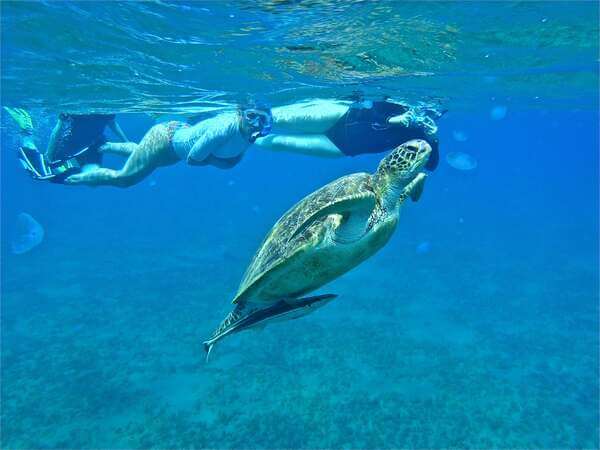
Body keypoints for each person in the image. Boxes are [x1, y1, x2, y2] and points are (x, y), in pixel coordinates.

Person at [56, 98, 441, 188]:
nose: (257, 126)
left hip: (170, 139)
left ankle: (101, 148)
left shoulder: (247, 132)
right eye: (253, 120)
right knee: (125, 180)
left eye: (260, 121)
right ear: (243, 115)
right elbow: (194, 159)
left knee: (145, 158)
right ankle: (74, 175)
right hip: (171, 141)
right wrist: (221, 164)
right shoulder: (228, 129)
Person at [4, 107, 128, 182]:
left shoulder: (104, 107)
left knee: (54, 174)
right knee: (41, 174)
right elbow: (58, 130)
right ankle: (27, 130)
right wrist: (49, 154)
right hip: (70, 147)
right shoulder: (76, 107)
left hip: (89, 146)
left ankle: (28, 133)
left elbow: (112, 123)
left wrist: (126, 142)